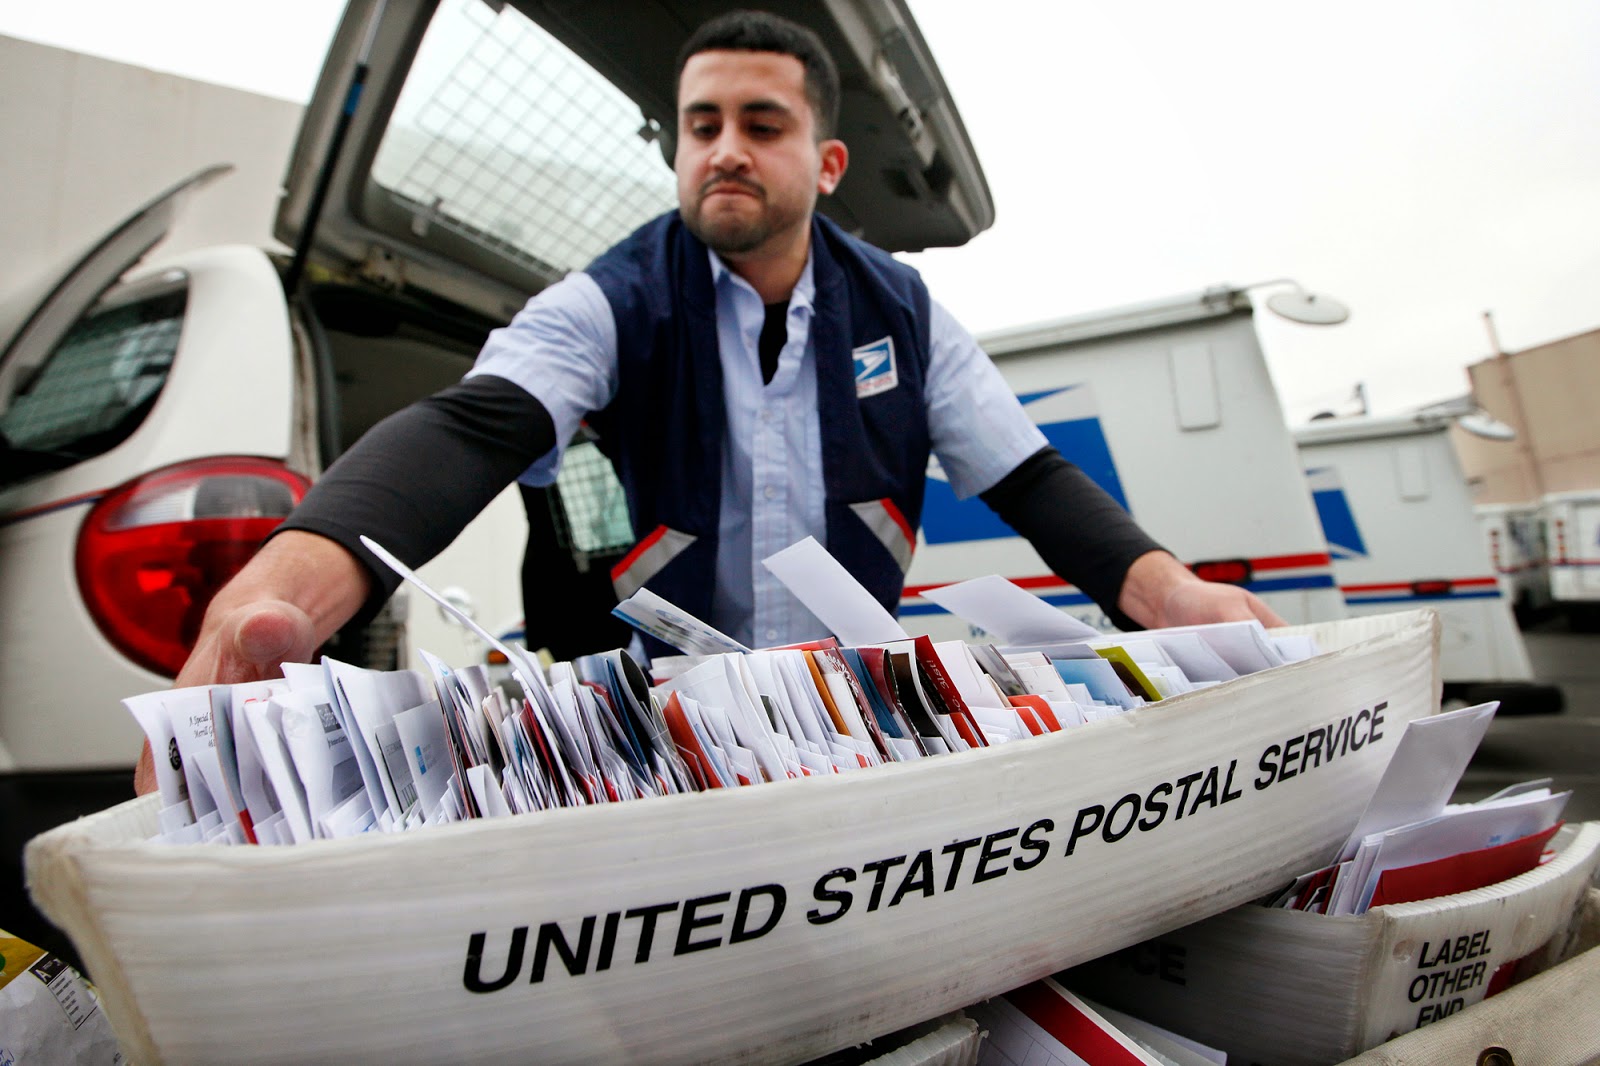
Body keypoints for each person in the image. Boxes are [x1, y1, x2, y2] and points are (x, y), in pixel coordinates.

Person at [135, 10, 1280, 793]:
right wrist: (279, 589)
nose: (724, 150)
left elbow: (1031, 479)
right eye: (700, 126)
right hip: (662, 729)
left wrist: (1170, 594)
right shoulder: (612, 299)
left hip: (857, 719)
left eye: (761, 125)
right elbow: (472, 426)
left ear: (827, 164)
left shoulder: (905, 314)